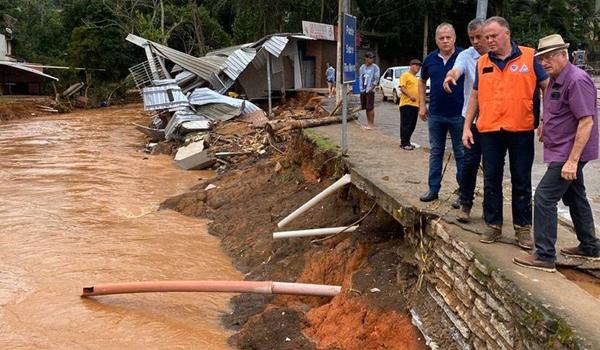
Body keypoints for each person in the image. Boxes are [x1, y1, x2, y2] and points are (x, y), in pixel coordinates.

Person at [514, 34, 600, 272]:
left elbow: (586, 122)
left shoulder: (576, 80)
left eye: (550, 57)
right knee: (575, 196)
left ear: (564, 54)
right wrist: (544, 123)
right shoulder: (556, 77)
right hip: (561, 147)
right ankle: (591, 247)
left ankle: (544, 255)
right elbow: (556, 107)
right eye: (541, 58)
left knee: (544, 197)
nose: (544, 63)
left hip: (569, 151)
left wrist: (572, 161)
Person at [462, 16, 549, 248]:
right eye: (486, 37)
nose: (489, 41)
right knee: (492, 179)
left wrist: (547, 118)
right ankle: (493, 225)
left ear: (507, 34)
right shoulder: (482, 62)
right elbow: (475, 95)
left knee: (521, 179)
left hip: (520, 129)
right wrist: (466, 127)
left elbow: (547, 87)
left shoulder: (530, 57)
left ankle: (522, 228)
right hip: (489, 130)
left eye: (493, 36)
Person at [443, 18, 489, 222]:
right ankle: (465, 203)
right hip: (470, 119)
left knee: (493, 167)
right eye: (472, 38)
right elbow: (457, 68)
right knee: (469, 164)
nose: (476, 42)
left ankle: (491, 210)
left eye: (479, 37)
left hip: (495, 120)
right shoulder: (466, 55)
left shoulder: (497, 56)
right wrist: (450, 76)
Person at [418, 23, 465, 205]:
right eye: (441, 38)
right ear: (436, 40)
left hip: (459, 115)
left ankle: (463, 193)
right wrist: (422, 105)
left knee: (461, 154)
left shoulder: (464, 56)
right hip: (436, 114)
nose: (445, 41)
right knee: (436, 152)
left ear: (454, 38)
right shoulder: (430, 59)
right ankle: (433, 189)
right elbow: (422, 81)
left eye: (448, 37)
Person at [398, 59, 421, 150]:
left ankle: (407, 140)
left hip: (415, 105)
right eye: (415, 65)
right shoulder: (405, 75)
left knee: (412, 124)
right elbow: (402, 88)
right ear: (410, 65)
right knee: (406, 123)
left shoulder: (416, 79)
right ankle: (404, 143)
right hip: (406, 104)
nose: (417, 67)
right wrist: (410, 96)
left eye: (419, 66)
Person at [359, 52, 380, 129]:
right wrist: (361, 88)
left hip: (370, 89)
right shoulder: (362, 67)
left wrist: (371, 88)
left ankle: (371, 124)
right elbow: (360, 78)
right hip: (363, 89)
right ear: (366, 58)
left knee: (370, 107)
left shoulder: (375, 67)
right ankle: (368, 123)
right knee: (366, 107)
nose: (372, 59)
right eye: (370, 58)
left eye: (372, 58)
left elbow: (376, 78)